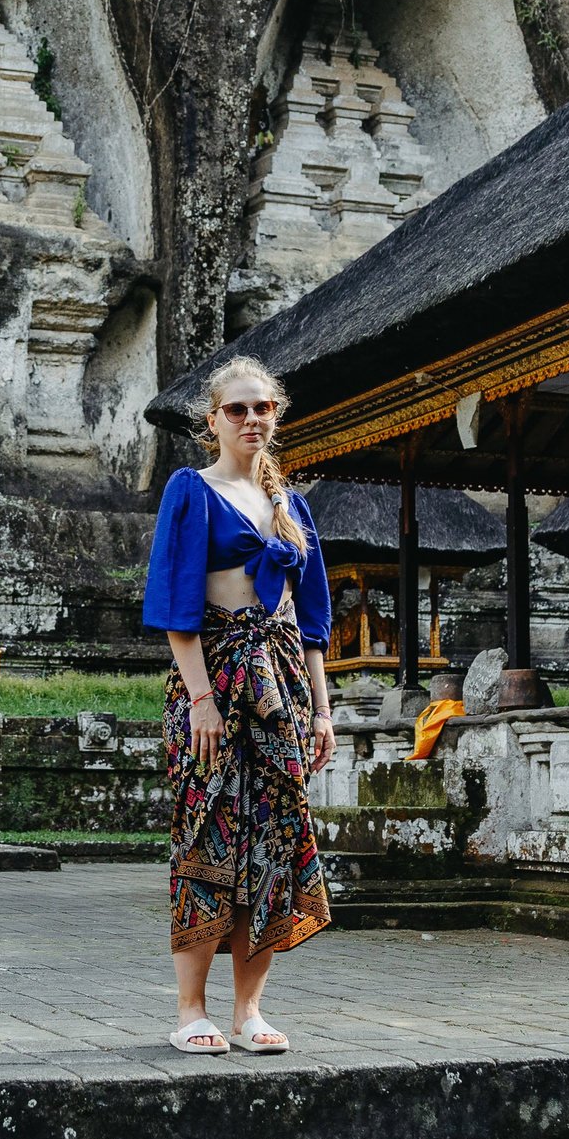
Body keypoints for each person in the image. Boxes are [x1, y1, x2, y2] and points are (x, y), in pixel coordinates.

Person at [140, 355, 335, 1055]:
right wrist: (199, 698)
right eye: (237, 409)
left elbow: (310, 621)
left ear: (276, 416)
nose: (252, 419)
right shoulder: (191, 492)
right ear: (212, 420)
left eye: (263, 408)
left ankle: (250, 1009)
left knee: (274, 837)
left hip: (280, 684)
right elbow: (173, 606)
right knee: (207, 832)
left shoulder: (293, 506)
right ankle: (191, 1008)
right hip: (213, 680)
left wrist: (321, 708)